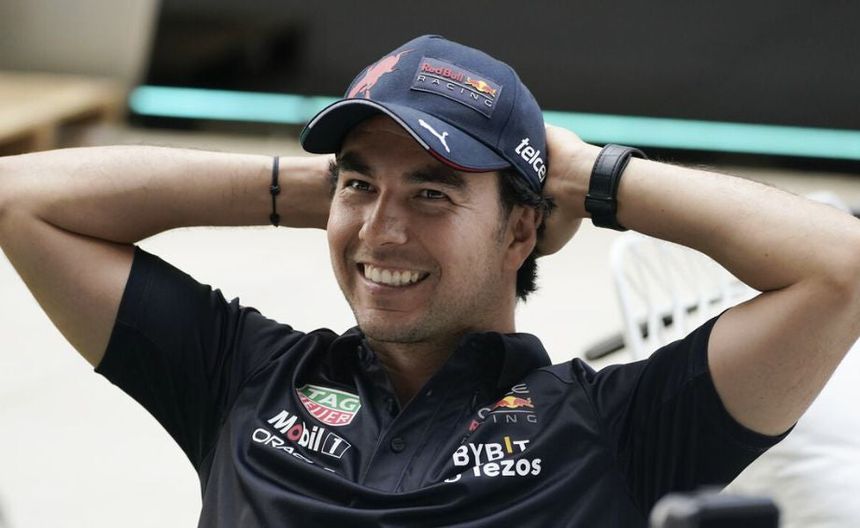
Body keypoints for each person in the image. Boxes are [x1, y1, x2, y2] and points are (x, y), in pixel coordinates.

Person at [0, 34, 858, 527]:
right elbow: (22, 200)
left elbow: (840, 269)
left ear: (520, 228)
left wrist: (584, 173)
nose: (382, 230)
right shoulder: (241, 374)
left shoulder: (617, 427)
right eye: (359, 184)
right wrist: (301, 190)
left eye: (432, 193)